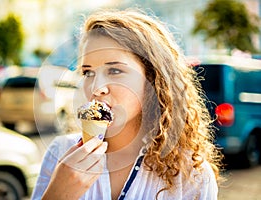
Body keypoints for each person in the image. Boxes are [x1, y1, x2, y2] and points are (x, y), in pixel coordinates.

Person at [32, 8, 223, 200]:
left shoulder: (191, 175)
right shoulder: (60, 153)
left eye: (114, 70)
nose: (96, 88)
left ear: (152, 79)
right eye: (88, 72)